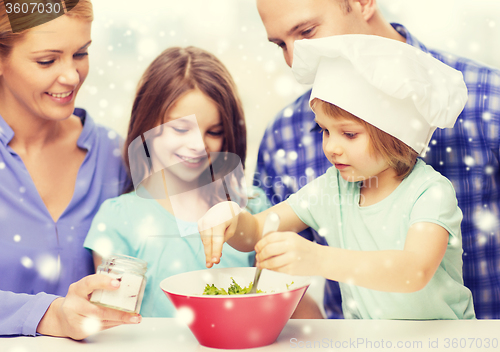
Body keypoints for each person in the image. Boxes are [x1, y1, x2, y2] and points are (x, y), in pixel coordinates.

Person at [200, 34, 476, 320]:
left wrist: (318, 259)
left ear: (394, 133)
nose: (331, 147)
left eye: (349, 134)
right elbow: (257, 230)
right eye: (325, 130)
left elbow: (414, 271)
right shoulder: (333, 188)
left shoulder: (430, 193)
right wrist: (230, 217)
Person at [253, 0, 500, 319]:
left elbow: (414, 269)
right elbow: (266, 253)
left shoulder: (490, 104)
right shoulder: (285, 136)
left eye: (307, 31)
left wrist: (319, 258)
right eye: (279, 45)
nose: (293, 60)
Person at [83, 46, 272, 317]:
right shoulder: (118, 218)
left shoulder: (251, 207)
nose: (198, 145)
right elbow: (113, 321)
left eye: (214, 131)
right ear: (147, 125)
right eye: (181, 128)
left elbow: (277, 303)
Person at [0, 0, 140, 339]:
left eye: (81, 54)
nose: (71, 75)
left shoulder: (115, 156)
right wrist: (50, 315)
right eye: (47, 60)